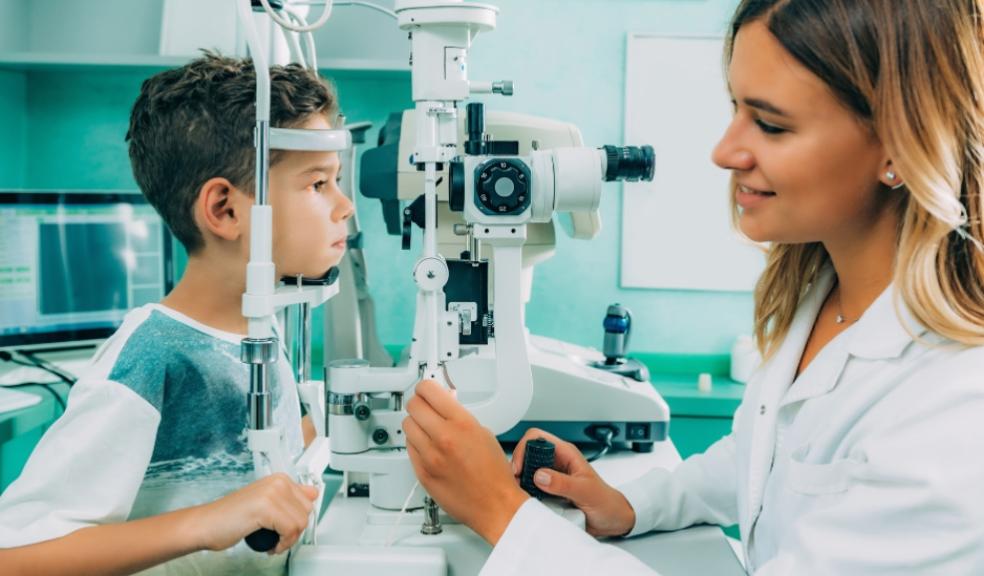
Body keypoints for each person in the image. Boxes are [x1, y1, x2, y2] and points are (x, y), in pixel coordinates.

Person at [403, 0, 984, 573]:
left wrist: (500, 513)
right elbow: (762, 459)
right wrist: (630, 504)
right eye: (735, 108)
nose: (724, 151)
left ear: (898, 147)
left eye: (772, 124)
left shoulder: (955, 404)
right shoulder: (829, 294)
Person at [0, 52, 354, 575]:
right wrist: (207, 521)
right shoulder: (150, 356)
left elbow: (250, 453)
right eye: (317, 184)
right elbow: (16, 558)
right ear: (226, 211)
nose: (344, 205)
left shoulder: (260, 323)